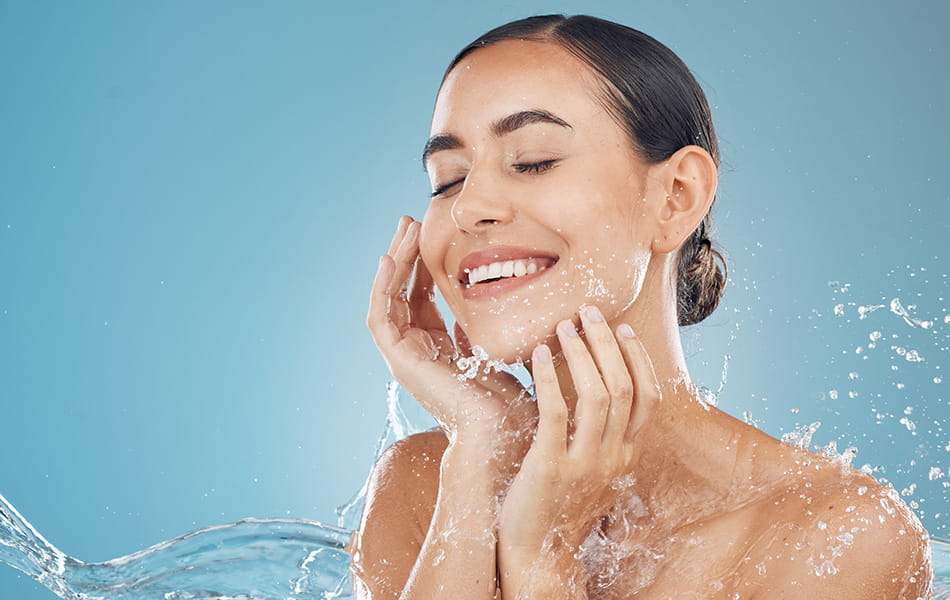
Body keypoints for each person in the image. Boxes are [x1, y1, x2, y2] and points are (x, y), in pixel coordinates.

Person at [348, 14, 932, 600]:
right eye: (446, 179)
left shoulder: (835, 534)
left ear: (676, 197)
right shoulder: (428, 484)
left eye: (532, 160)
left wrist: (542, 561)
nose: (468, 206)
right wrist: (481, 445)